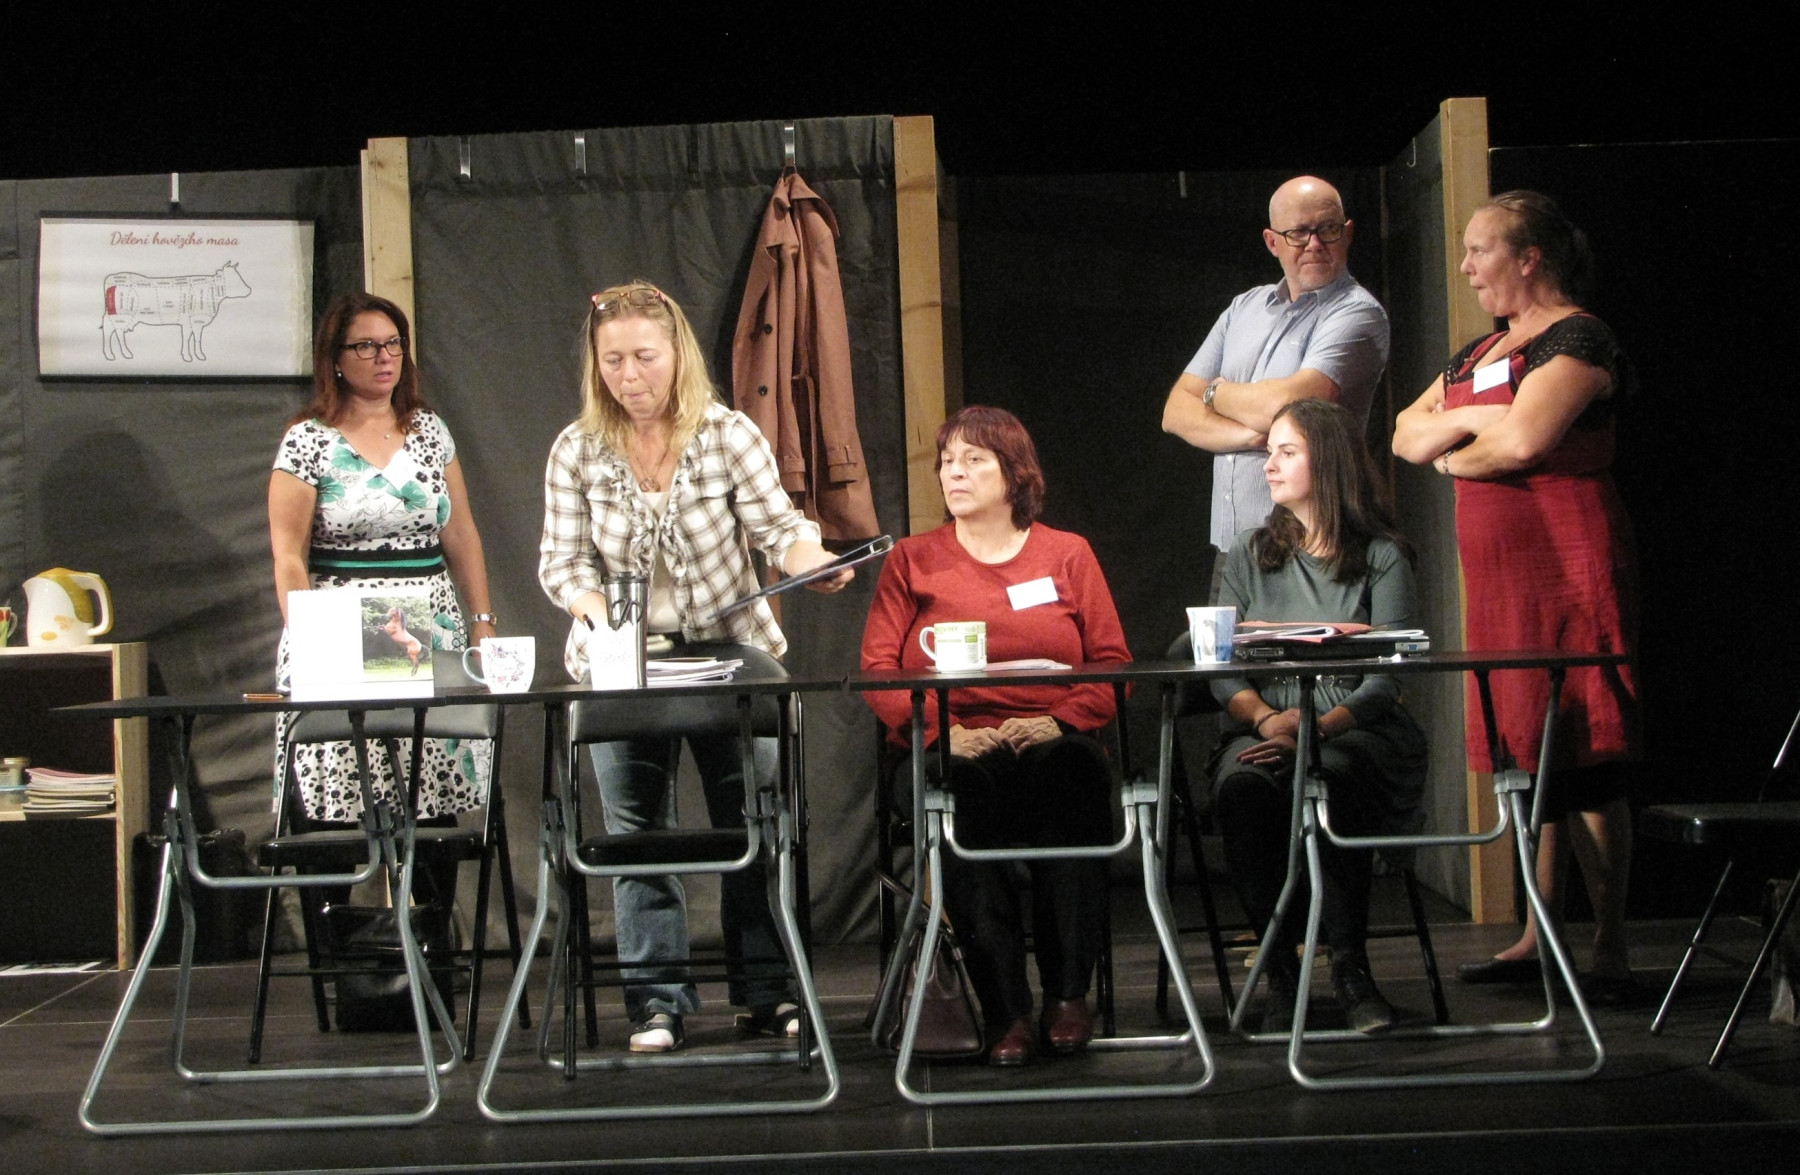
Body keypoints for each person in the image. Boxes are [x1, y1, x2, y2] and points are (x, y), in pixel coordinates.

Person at [538, 279, 849, 1053]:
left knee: (753, 819)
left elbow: (781, 530)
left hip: (726, 651)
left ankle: (768, 991)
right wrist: (599, 617)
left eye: (644, 355)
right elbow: (563, 563)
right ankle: (657, 1001)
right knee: (637, 828)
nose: (629, 373)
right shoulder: (577, 448)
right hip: (625, 657)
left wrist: (812, 564)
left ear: (677, 352)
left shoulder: (727, 434)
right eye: (613, 359)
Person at [1392, 191, 1641, 1005]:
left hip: (1565, 563)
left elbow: (1527, 441)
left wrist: (1457, 442)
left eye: (1480, 250)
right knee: (1529, 747)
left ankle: (1608, 946)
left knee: (1584, 746)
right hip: (1500, 581)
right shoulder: (1481, 350)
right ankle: (1540, 933)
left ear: (1529, 258)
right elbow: (1404, 432)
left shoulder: (1577, 336)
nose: (1466, 268)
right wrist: (1482, 426)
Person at [860, 405, 1131, 1066]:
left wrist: (1061, 720)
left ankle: (1067, 996)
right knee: (961, 796)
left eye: (973, 460)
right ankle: (1006, 1008)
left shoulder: (1067, 554)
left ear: (1014, 474)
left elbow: (1113, 664)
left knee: (1073, 775)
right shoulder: (912, 560)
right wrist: (941, 731)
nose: (954, 472)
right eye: (947, 460)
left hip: (1048, 737)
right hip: (953, 746)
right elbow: (878, 672)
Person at [1210, 398, 1426, 1035]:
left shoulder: (1381, 555)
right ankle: (1279, 971)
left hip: (1351, 730)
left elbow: (1389, 675)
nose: (1269, 464)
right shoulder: (1248, 552)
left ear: (1326, 461)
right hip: (1266, 726)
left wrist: (1318, 729)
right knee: (1244, 787)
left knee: (1333, 777)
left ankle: (1351, 967)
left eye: (1287, 451)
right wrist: (1264, 720)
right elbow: (1219, 665)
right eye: (1269, 451)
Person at [269, 292, 498, 840]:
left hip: (427, 622)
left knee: (428, 794)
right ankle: (343, 892)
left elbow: (460, 532)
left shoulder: (429, 431)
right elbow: (288, 555)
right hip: (342, 624)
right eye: (366, 346)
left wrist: (482, 620)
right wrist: (310, 639)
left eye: (393, 344)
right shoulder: (308, 440)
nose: (384, 357)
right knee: (346, 799)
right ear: (335, 359)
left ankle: (428, 898)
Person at [1162, 175, 1391, 597]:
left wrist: (1215, 393)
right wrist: (1250, 435)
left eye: (1328, 230)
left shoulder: (1357, 313)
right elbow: (1175, 411)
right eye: (1299, 233)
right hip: (1231, 550)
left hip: (1311, 548)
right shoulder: (1244, 308)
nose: (1315, 244)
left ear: (1348, 233)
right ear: (1272, 242)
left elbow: (1291, 405)